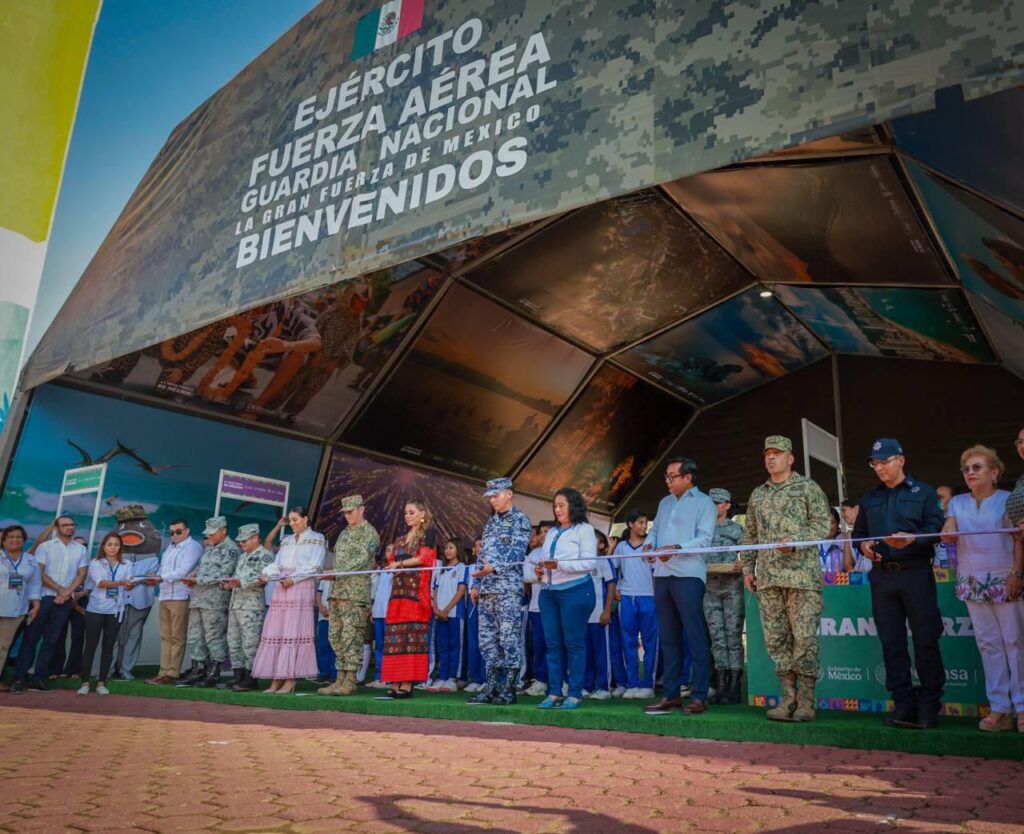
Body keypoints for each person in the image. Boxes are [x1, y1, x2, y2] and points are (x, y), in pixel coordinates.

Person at [854, 438, 945, 729]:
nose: (879, 467)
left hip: (915, 572)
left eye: (884, 461)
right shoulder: (869, 498)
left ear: (901, 460)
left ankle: (929, 704)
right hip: (882, 576)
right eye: (875, 463)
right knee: (891, 641)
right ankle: (903, 702)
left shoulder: (925, 493)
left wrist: (912, 539)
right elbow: (858, 535)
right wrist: (864, 546)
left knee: (925, 639)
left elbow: (936, 529)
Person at [743, 436, 831, 722]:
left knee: (804, 639)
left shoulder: (807, 487)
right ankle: (787, 699)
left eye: (777, 453)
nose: (771, 458)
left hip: (801, 578)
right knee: (777, 640)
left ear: (790, 458)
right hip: (769, 579)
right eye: (767, 453)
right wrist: (748, 569)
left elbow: (823, 524)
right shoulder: (758, 494)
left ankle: (806, 702)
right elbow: (750, 535)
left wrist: (796, 541)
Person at [942, 446, 1023, 732]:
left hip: (1005, 578)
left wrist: (1016, 573)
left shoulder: (1009, 499)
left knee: (1015, 642)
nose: (970, 473)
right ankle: (1000, 708)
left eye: (977, 467)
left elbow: (1019, 539)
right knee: (988, 644)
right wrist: (947, 531)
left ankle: (1022, 708)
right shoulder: (957, 503)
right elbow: (949, 528)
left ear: (995, 472)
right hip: (971, 581)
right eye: (966, 469)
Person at [643, 457, 716, 716]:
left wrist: (676, 548)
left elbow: (705, 539)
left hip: (689, 576)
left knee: (695, 636)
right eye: (666, 476)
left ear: (688, 477)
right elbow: (654, 531)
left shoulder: (704, 503)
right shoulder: (664, 503)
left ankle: (699, 695)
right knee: (669, 638)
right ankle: (671, 695)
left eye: (672, 476)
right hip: (662, 575)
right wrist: (649, 546)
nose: (667, 481)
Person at [468, 478, 532, 705]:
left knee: (508, 638)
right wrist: (476, 584)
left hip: (507, 590)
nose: (492, 500)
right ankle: (492, 686)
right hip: (487, 590)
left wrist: (494, 567)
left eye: (496, 495)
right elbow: (482, 554)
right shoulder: (490, 522)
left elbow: (518, 550)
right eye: (490, 497)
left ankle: (509, 688)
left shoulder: (520, 519)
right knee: (487, 640)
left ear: (509, 494)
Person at [536, 488, 600, 711]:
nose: (557, 509)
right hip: (548, 592)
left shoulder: (585, 529)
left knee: (573, 643)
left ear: (574, 505)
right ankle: (554, 692)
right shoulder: (552, 532)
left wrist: (559, 565)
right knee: (552, 644)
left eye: (562, 505)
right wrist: (540, 570)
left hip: (575, 591)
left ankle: (574, 693)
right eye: (555, 506)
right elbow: (545, 560)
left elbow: (590, 563)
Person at [12, 515, 88, 693]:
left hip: (65, 601)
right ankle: (19, 678)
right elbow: (39, 572)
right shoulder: (45, 547)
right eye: (65, 525)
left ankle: (39, 678)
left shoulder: (80, 549)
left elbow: (82, 574)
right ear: (57, 527)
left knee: (51, 641)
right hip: (43, 598)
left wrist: (66, 592)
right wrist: (59, 589)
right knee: (30, 639)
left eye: (72, 525)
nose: (69, 527)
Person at [253, 507, 326, 693]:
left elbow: (315, 566)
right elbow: (277, 564)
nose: (292, 523)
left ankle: (290, 678)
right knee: (278, 631)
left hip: (300, 587)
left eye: (295, 519)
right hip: (281, 587)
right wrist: (267, 574)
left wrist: (293, 579)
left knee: (294, 631)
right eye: (290, 520)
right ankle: (276, 678)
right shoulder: (286, 540)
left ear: (305, 519)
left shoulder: (317, 538)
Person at [321, 494, 380, 696]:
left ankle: (351, 680)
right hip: (337, 592)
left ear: (361, 509)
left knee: (351, 636)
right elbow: (337, 560)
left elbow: (362, 560)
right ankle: (339, 678)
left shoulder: (370, 533)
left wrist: (336, 573)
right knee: (335, 636)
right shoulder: (344, 533)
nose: (347, 515)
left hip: (355, 595)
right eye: (345, 512)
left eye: (350, 511)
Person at [381, 499, 437, 698]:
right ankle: (395, 681)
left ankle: (407, 683)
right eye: (406, 512)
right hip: (398, 593)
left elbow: (423, 559)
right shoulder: (400, 540)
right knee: (395, 637)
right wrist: (394, 565)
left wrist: (399, 565)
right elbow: (392, 560)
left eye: (411, 512)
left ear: (422, 514)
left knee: (411, 637)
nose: (407, 516)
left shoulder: (428, 534)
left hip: (415, 594)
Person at [176, 517, 241, 688]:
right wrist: (192, 576)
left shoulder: (231, 550)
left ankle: (214, 673)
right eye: (208, 533)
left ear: (223, 530)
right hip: (198, 598)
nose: (210, 536)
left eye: (213, 533)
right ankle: (198, 670)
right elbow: (201, 568)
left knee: (214, 637)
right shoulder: (210, 548)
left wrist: (197, 579)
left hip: (215, 601)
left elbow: (224, 574)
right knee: (194, 636)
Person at [77, 533, 135, 695]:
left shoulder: (127, 564)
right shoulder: (96, 563)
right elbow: (100, 583)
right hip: (96, 609)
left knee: (109, 646)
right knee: (90, 645)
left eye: (116, 545)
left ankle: (102, 682)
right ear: (103, 546)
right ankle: (85, 682)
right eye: (109, 544)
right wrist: (122, 582)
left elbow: (129, 584)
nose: (113, 548)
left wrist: (130, 585)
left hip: (116, 610)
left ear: (120, 547)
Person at [146, 520, 202, 685]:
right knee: (165, 636)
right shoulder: (169, 548)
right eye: (171, 532)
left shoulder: (193, 547)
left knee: (177, 637)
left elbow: (183, 571)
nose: (175, 535)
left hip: (180, 596)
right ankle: (162, 671)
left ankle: (172, 672)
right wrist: (155, 575)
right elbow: (163, 569)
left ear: (187, 531)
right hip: (165, 595)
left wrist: (160, 577)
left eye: (178, 531)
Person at [110, 506, 162, 680]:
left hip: (140, 602)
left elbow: (156, 578)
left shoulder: (153, 559)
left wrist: (143, 579)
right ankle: (109, 668)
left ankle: (126, 669)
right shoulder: (114, 558)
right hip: (117, 602)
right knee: (114, 635)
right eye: (123, 526)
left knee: (134, 634)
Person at [704, 489, 745, 705]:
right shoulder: (702, 530)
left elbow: (749, 556)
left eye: (718, 503)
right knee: (717, 640)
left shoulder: (737, 529)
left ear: (728, 505)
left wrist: (742, 564)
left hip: (732, 589)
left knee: (733, 638)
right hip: (710, 589)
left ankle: (735, 686)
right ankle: (721, 685)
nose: (714, 507)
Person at [222, 524, 274, 691]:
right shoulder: (243, 556)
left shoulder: (265, 556)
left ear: (256, 538)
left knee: (250, 643)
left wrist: (240, 582)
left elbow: (263, 578)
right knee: (234, 641)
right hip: (236, 603)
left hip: (251, 607)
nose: (241, 543)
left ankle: (251, 678)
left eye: (244, 540)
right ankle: (238, 676)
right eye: (240, 541)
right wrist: (228, 583)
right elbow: (236, 576)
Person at [614, 510, 658, 699]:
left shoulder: (651, 546)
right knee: (628, 642)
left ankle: (648, 685)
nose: (644, 526)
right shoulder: (621, 547)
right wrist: (617, 587)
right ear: (630, 524)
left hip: (648, 598)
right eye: (640, 522)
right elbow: (614, 569)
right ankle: (632, 684)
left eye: (645, 522)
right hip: (627, 599)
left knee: (650, 642)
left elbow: (657, 572)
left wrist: (657, 597)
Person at [0, 526, 42, 690]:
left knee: (3, 646)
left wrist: (36, 604)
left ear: (24, 541)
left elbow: (35, 584)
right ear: (3, 541)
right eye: (11, 537)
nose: (15, 540)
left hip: (15, 609)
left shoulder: (30, 560)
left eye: (19, 537)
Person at [431, 538, 469, 691]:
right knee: (443, 647)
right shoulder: (441, 570)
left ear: (458, 549)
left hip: (454, 613)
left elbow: (461, 591)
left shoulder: (461, 567)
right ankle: (442, 677)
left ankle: (453, 678)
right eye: (446, 548)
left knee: (455, 646)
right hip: (440, 614)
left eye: (451, 548)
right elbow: (435, 590)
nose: (447, 551)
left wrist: (446, 610)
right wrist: (436, 609)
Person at [523, 521, 555, 696]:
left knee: (556, 645)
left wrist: (545, 573)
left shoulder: (560, 552)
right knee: (539, 646)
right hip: (536, 607)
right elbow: (526, 576)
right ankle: (540, 680)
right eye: (541, 532)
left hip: (556, 607)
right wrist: (538, 575)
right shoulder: (534, 553)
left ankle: (559, 681)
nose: (543, 534)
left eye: (547, 531)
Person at [583, 535, 616, 700]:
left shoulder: (603, 561)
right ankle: (587, 686)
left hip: (599, 616)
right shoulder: (580, 562)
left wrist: (607, 610)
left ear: (601, 545)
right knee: (586, 653)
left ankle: (604, 687)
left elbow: (611, 585)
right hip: (583, 617)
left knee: (602, 653)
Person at [366, 548, 393, 688]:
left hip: (390, 613)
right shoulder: (381, 570)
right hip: (378, 612)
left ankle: (389, 677)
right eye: (387, 550)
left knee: (390, 646)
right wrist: (373, 610)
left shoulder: (398, 570)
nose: (390, 552)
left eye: (393, 550)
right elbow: (377, 591)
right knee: (379, 645)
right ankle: (379, 676)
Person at [463, 537, 486, 692]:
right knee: (473, 642)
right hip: (472, 604)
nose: (479, 548)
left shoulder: (491, 561)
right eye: (477, 545)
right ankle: (475, 678)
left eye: (482, 545)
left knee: (486, 641)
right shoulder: (470, 567)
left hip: (487, 601)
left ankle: (486, 678)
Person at [819, 509, 845, 573]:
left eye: (832, 522)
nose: (828, 527)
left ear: (838, 523)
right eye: (824, 523)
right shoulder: (813, 541)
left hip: (841, 578)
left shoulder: (844, 539)